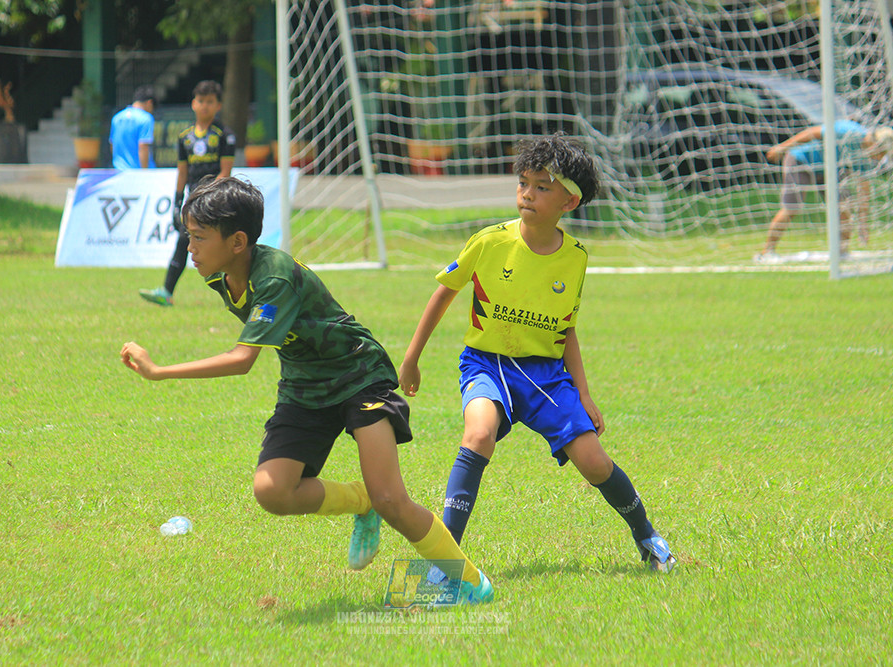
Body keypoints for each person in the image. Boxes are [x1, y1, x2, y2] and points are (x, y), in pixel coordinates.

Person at [120, 176, 494, 604]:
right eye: (189, 236)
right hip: (304, 385)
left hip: (357, 375)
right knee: (272, 491)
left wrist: (159, 370)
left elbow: (243, 360)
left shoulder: (273, 277)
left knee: (392, 498)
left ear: (238, 241)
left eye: (199, 238)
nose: (191, 248)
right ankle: (359, 501)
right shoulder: (222, 274)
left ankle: (469, 582)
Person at [398, 132, 676, 572]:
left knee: (594, 461)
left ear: (569, 202)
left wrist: (584, 394)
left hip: (545, 374)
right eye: (523, 183)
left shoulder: (576, 258)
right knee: (478, 435)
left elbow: (567, 328)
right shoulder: (489, 242)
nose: (527, 194)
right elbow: (443, 293)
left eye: (542, 187)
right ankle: (444, 561)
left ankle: (648, 537)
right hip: (487, 364)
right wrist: (411, 359)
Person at [140, 80, 236, 306]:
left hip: (216, 200)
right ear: (193, 104)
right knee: (184, 242)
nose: (205, 106)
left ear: (218, 106)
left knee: (220, 246)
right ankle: (166, 291)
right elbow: (182, 173)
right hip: (194, 202)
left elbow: (225, 172)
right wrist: (177, 203)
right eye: (201, 101)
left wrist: (209, 197)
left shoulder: (224, 135)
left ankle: (235, 292)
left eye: (210, 102)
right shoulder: (185, 137)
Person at [756, 122, 893, 261]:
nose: (880, 158)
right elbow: (811, 133)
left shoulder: (865, 156)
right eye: (882, 153)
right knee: (791, 208)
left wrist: (863, 223)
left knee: (844, 208)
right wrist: (782, 147)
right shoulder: (847, 131)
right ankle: (767, 252)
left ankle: (841, 253)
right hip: (801, 159)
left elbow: (863, 190)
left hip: (828, 169)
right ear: (876, 144)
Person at [109, 85, 157, 170]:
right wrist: (145, 173)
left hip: (119, 171)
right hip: (137, 173)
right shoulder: (146, 118)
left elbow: (112, 145)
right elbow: (143, 146)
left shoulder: (117, 118)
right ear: (150, 102)